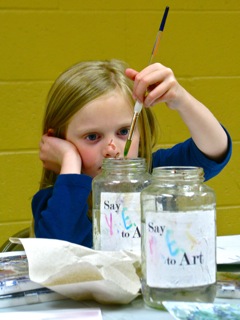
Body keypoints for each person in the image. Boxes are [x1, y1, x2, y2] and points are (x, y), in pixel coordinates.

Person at [32, 59, 231, 247]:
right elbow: (57, 255)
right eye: (92, 136)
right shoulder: (54, 200)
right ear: (57, 139)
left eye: (123, 132)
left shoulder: (153, 175)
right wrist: (69, 160)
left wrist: (181, 99)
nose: (112, 149)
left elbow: (213, 151)